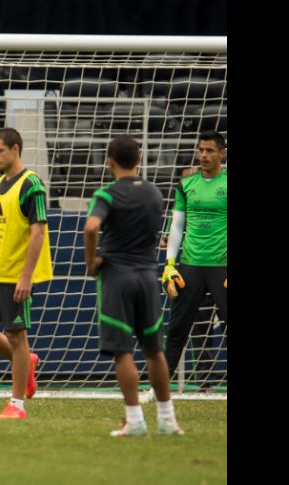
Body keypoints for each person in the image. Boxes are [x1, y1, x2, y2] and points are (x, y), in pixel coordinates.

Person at [83, 135, 183, 436]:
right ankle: (167, 419)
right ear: (139, 159)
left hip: (117, 277)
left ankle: (135, 420)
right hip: (147, 277)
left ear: (109, 161)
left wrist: (92, 261)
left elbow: (91, 227)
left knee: (123, 352)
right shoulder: (154, 193)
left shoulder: (106, 194)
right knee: (155, 351)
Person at [0, 127, 53, 420]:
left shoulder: (31, 184)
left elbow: (38, 232)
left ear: (15, 149)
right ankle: (27, 362)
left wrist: (26, 276)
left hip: (15, 275)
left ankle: (17, 404)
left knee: (16, 337)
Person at [161, 131, 227, 383]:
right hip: (190, 266)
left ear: (222, 153)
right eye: (201, 150)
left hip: (222, 266)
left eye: (209, 150)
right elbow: (177, 226)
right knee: (177, 330)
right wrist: (170, 264)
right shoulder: (186, 184)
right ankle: (160, 388)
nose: (203, 155)